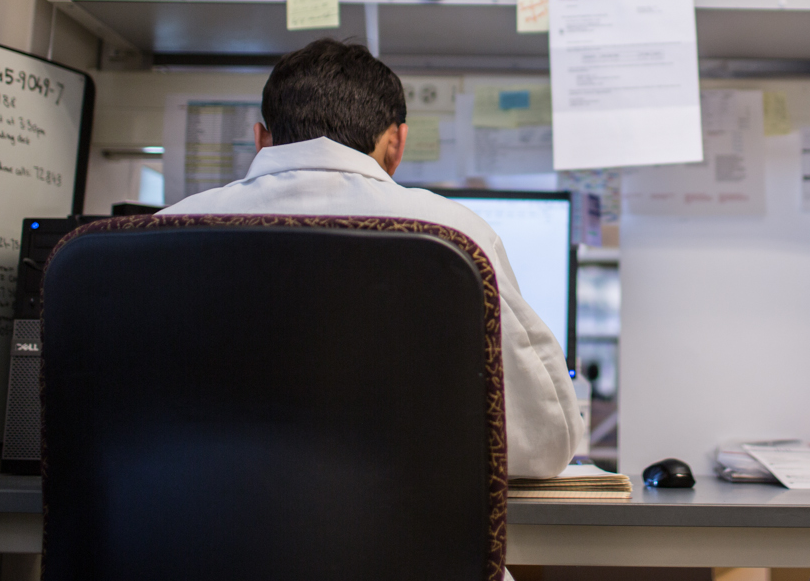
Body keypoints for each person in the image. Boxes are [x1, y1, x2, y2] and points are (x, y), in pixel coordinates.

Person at [160, 38, 583, 479]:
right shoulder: (452, 236)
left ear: (261, 139)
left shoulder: (161, 233)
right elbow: (542, 443)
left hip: (188, 540)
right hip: (396, 542)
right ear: (396, 143)